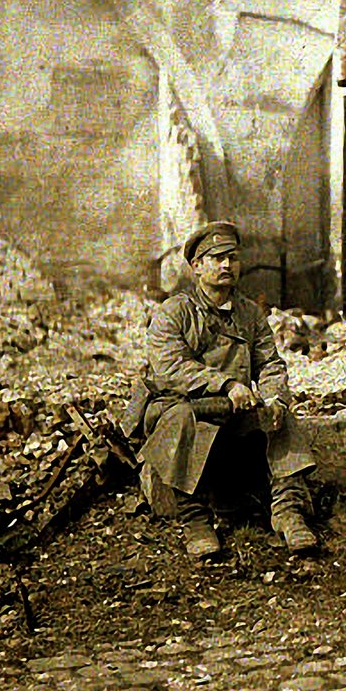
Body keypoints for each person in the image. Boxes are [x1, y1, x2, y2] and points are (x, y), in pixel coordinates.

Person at [138, 221, 317, 559]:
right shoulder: (173, 312)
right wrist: (227, 383)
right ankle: (194, 519)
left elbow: (270, 363)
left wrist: (275, 398)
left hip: (232, 413)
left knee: (279, 417)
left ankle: (287, 511)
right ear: (197, 266)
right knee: (180, 418)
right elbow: (171, 368)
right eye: (216, 258)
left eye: (232, 258)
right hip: (182, 408)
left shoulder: (249, 313)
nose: (226, 266)